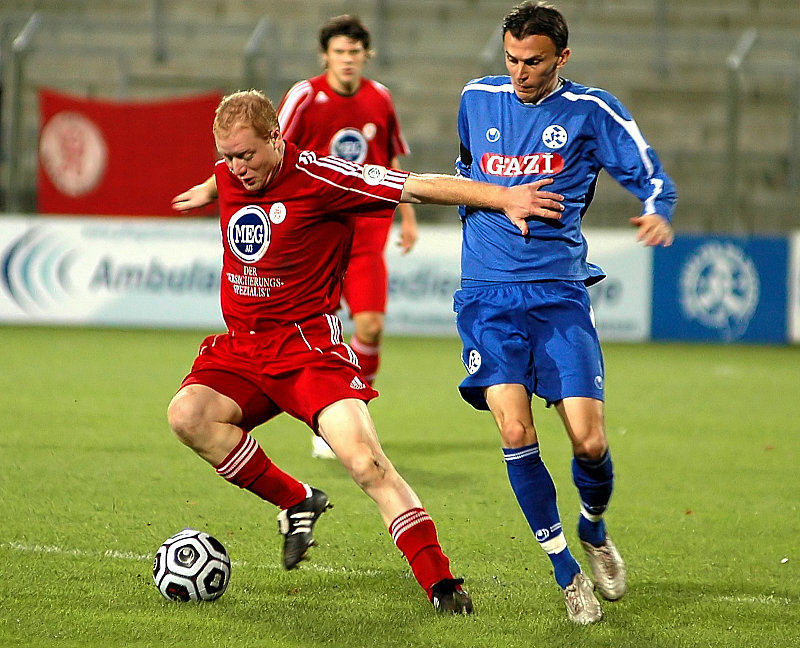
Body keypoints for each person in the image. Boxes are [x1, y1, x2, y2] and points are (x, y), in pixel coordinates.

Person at [169, 89, 564, 614]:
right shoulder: (229, 176)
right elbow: (221, 177)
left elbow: (415, 187)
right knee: (188, 415)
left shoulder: (321, 178)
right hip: (242, 349)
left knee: (366, 463)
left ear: (276, 137)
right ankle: (297, 500)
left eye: (246, 155)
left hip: (307, 351)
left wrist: (502, 197)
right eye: (227, 157)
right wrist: (205, 189)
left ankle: (442, 583)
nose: (237, 168)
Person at [452, 1, 677, 625]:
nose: (520, 72)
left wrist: (657, 209)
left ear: (562, 57)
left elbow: (650, 173)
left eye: (533, 61)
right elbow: (465, 169)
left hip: (558, 295)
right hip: (488, 297)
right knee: (514, 430)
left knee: (589, 440)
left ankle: (593, 527)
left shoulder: (591, 111)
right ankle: (565, 572)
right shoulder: (475, 98)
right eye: (511, 59)